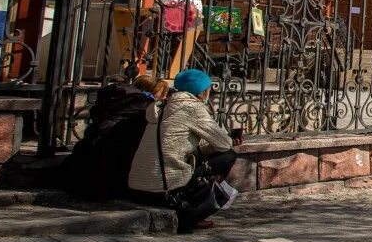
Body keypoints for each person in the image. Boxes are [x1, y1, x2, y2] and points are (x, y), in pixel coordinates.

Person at [128, 68, 238, 231]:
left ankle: (191, 204)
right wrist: (232, 139)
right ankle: (193, 207)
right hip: (164, 187)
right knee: (228, 155)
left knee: (210, 158)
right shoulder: (191, 107)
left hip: (138, 187)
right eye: (208, 89)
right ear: (201, 91)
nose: (209, 92)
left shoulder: (163, 106)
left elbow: (190, 146)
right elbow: (223, 144)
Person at [58, 74, 167, 199]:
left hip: (84, 161)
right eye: (160, 95)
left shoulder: (112, 99)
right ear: (150, 92)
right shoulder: (143, 106)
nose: (163, 98)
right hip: (109, 172)